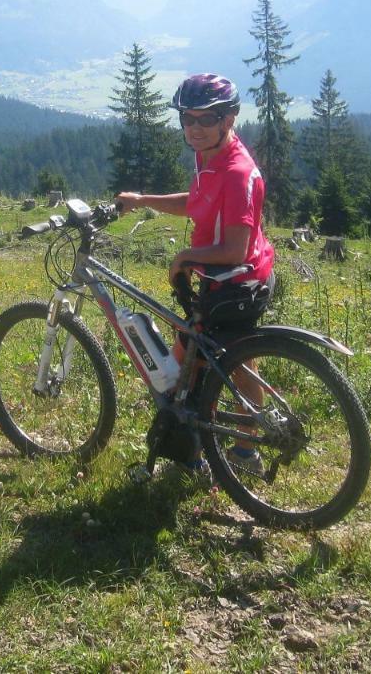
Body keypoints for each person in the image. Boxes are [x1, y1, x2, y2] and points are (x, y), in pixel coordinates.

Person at [115, 73, 275, 475]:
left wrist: (185, 257)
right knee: (236, 358)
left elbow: (233, 248)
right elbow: (196, 202)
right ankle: (239, 452)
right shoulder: (211, 157)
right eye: (188, 119)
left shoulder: (237, 172)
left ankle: (196, 456)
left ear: (229, 119)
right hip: (242, 274)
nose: (195, 128)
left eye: (207, 119)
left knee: (187, 365)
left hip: (233, 279)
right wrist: (142, 201)